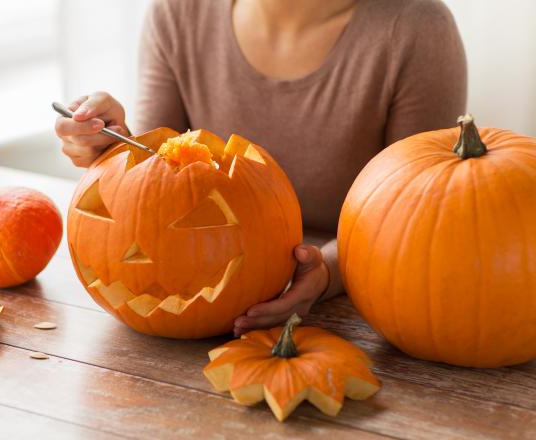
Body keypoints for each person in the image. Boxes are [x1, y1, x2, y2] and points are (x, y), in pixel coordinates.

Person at [55, 0, 466, 336]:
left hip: (354, 309)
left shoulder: (419, 31)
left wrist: (326, 275)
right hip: (194, 292)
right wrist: (108, 146)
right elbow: (150, 185)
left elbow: (410, 220)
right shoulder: (178, 11)